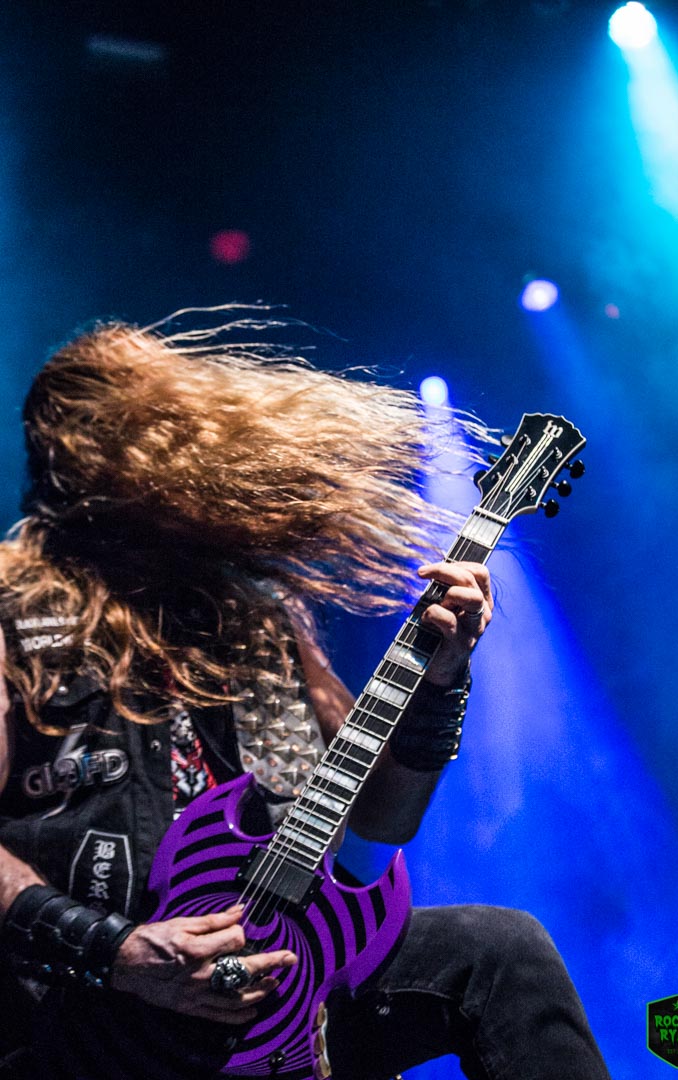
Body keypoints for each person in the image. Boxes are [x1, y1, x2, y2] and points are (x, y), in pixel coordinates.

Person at [0, 312, 611, 1080]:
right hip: (95, 1021)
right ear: (83, 449)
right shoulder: (14, 606)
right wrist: (118, 952)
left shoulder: (255, 615)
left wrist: (441, 681)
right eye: (157, 417)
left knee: (500, 951)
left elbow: (379, 824)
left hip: (285, 983)